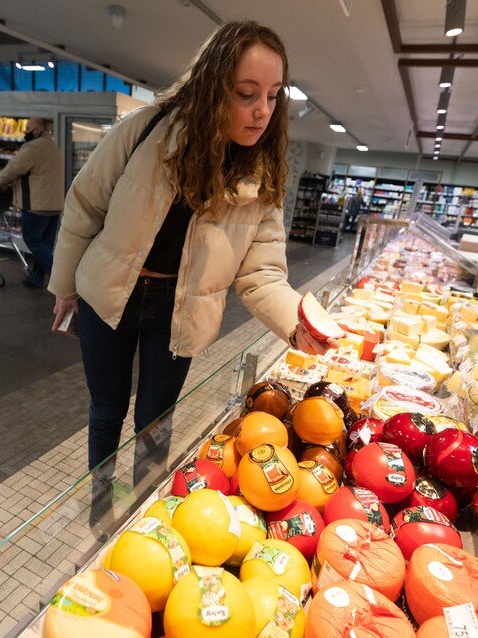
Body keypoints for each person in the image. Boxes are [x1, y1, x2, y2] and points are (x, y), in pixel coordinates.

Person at [48, 20, 335, 522]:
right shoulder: (145, 130)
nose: (262, 110)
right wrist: (64, 287)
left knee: (156, 419)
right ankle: (99, 502)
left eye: (272, 95)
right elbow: (84, 207)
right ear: (211, 86)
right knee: (106, 409)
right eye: (247, 93)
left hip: (182, 310)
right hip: (109, 294)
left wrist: (297, 322)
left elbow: (263, 271)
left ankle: (141, 513)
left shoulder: (260, 173)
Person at [0, 117, 64, 288]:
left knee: (32, 239)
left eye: (28, 128)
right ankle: (37, 278)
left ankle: (61, 280)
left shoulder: (32, 148)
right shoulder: (53, 146)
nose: (25, 132)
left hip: (37, 205)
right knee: (44, 244)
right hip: (54, 205)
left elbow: (12, 170)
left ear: (38, 130)